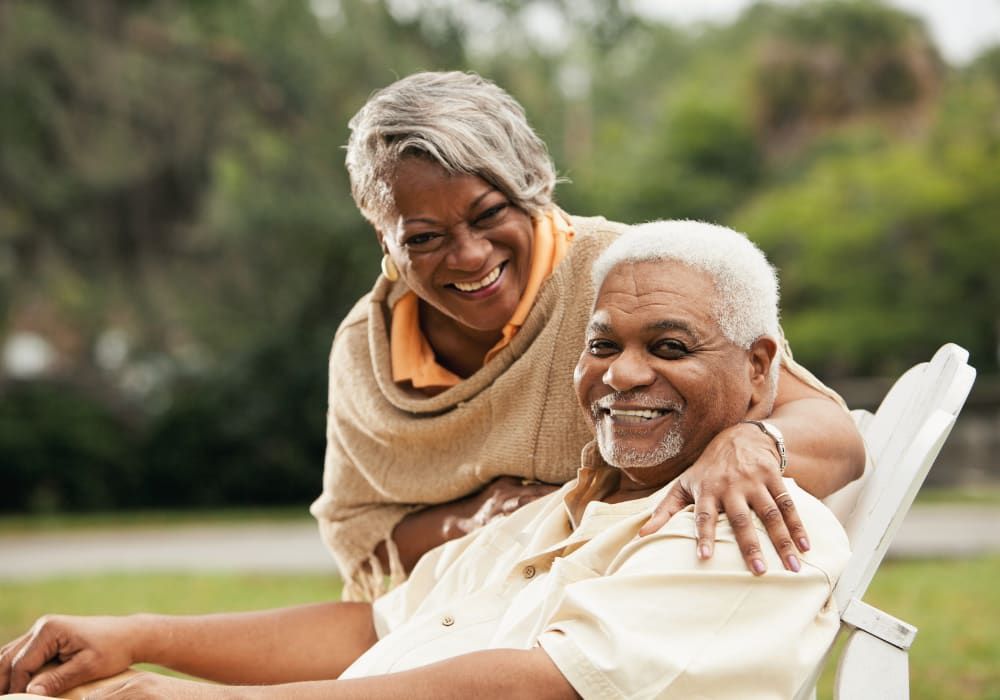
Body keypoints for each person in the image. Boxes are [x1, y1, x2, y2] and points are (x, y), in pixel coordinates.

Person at [0, 220, 850, 699]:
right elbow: (370, 627)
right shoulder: (558, 510)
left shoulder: (748, 524)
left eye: (669, 344)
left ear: (760, 370)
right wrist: (138, 638)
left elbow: (534, 689)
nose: (623, 374)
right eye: (602, 343)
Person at [311, 70, 864, 599]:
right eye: (425, 238)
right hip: (454, 615)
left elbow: (833, 435)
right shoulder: (366, 346)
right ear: (384, 239)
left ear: (532, 190)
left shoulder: (631, 278)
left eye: (489, 214)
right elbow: (358, 530)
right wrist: (484, 520)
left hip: (623, 599)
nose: (470, 255)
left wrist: (752, 441)